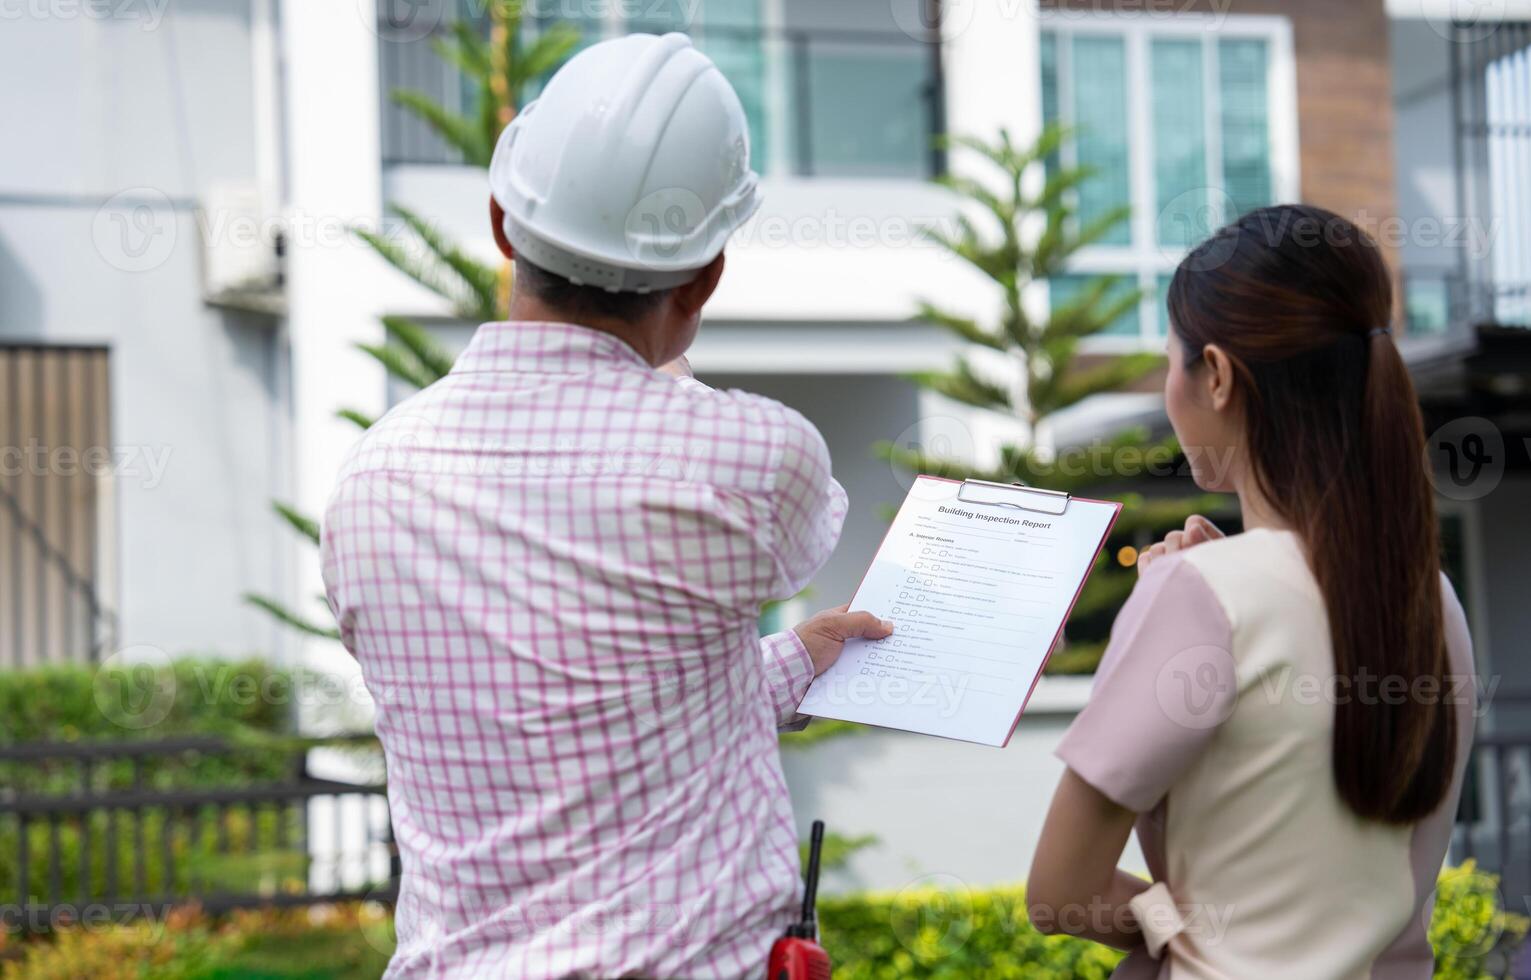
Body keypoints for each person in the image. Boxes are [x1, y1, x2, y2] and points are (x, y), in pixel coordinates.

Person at [320, 33, 891, 978]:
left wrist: (797, 662)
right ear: (706, 275)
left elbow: (564, 706)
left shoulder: (370, 480)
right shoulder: (750, 454)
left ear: (503, 225)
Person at [1026, 204, 1475, 978]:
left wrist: (1182, 925)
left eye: (1170, 362)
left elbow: (1060, 894)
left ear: (1219, 376)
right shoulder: (1431, 599)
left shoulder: (1197, 591)